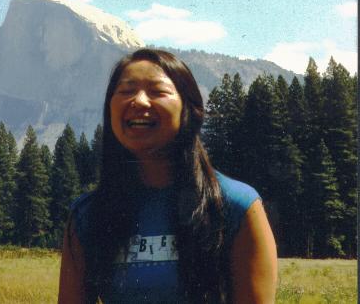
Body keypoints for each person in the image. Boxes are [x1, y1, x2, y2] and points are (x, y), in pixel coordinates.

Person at [58, 48, 277, 303]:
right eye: (126, 91)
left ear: (190, 109)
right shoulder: (87, 216)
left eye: (157, 91)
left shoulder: (237, 206)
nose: (139, 101)